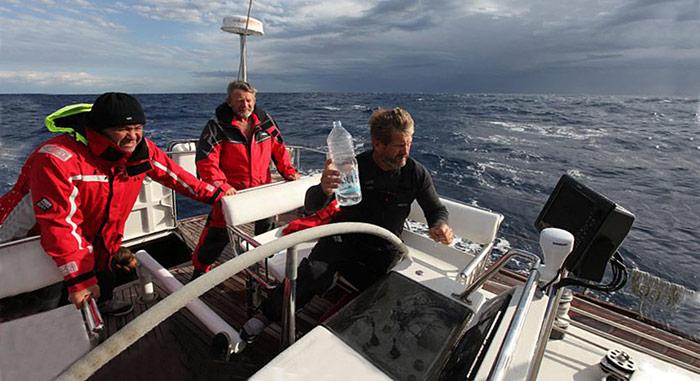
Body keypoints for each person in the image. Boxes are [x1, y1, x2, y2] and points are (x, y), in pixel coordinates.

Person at [239, 107, 455, 343]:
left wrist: (439, 225)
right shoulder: (353, 167)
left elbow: (436, 209)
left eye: (409, 144)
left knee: (382, 304)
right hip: (342, 241)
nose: (406, 152)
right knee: (314, 274)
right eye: (399, 145)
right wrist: (324, 189)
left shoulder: (415, 173)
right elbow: (312, 206)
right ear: (377, 144)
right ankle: (264, 316)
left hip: (383, 252)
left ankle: (332, 336)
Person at [0, 92, 226, 316]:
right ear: (100, 129)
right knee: (41, 305)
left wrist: (218, 196)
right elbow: (60, 224)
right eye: (123, 129)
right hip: (30, 244)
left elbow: (178, 178)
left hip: (99, 237)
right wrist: (79, 279)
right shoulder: (56, 159)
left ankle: (104, 302)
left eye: (138, 127)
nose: (133, 136)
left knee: (104, 268)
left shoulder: (141, 152)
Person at [191, 80, 299, 280]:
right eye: (239, 101)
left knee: (266, 230)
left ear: (255, 100)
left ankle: (266, 264)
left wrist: (289, 172)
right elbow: (206, 162)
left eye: (249, 100)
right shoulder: (217, 126)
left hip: (262, 188)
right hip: (231, 193)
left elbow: (279, 149)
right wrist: (222, 186)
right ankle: (199, 271)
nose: (245, 105)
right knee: (217, 234)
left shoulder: (265, 122)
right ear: (229, 102)